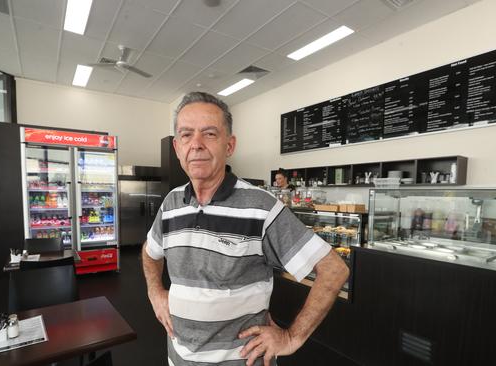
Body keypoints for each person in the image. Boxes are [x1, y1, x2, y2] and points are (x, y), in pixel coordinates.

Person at [142, 91, 349, 366]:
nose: (197, 144)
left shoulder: (260, 207)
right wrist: (156, 293)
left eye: (210, 134)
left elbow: (334, 270)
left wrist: (290, 338)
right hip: (178, 358)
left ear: (230, 145)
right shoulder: (171, 204)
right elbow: (149, 252)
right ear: (177, 148)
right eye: (186, 135)